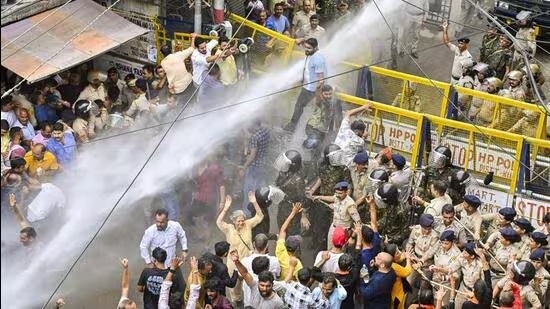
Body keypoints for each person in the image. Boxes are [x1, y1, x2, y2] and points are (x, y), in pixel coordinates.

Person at [216, 193, 264, 304]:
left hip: (247, 261)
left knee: (250, 283)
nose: (241, 223)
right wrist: (226, 208)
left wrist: (254, 202)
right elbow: (218, 222)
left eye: (242, 220)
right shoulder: (229, 228)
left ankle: (252, 302)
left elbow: (260, 216)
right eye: (238, 221)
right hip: (233, 263)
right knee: (235, 287)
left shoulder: (248, 225)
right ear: (234, 221)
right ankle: (238, 302)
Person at [285, 37, 326, 132]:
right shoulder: (311, 53)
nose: (306, 50)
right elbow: (297, 42)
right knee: (299, 106)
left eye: (309, 48)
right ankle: (294, 125)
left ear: (315, 48)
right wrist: (303, 39)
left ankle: (292, 126)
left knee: (299, 106)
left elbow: (321, 80)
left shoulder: (318, 59)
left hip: (310, 89)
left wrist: (317, 93)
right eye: (306, 47)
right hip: (306, 85)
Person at [311, 181, 361, 249]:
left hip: (343, 231)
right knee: (330, 249)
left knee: (339, 251)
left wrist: (352, 237)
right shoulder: (337, 197)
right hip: (334, 227)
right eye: (336, 193)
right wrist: (319, 197)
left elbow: (358, 222)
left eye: (340, 193)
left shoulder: (350, 204)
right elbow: (332, 198)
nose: (337, 195)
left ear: (346, 192)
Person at [240, 120, 270, 211]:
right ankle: (261, 207)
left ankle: (247, 212)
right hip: (263, 164)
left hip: (254, 166)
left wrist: (244, 167)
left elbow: (252, 156)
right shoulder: (265, 130)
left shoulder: (254, 137)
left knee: (248, 190)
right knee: (260, 188)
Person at [159, 35, 196, 104]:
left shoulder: (163, 63)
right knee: (193, 101)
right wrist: (193, 38)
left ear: (161, 54)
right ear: (171, 50)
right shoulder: (178, 55)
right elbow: (192, 48)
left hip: (178, 89)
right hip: (189, 82)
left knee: (183, 105)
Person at [276, 202, 304, 280]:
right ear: (297, 249)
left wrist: (293, 212)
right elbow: (302, 282)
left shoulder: (280, 250)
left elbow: (282, 230)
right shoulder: (297, 264)